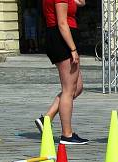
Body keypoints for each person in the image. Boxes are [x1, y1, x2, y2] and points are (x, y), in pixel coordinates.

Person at [37, 0, 87, 144]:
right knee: (68, 89)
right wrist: (73, 49)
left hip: (62, 37)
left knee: (77, 87)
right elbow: (62, 23)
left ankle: (47, 118)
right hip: (62, 38)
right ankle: (67, 134)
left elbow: (81, 3)